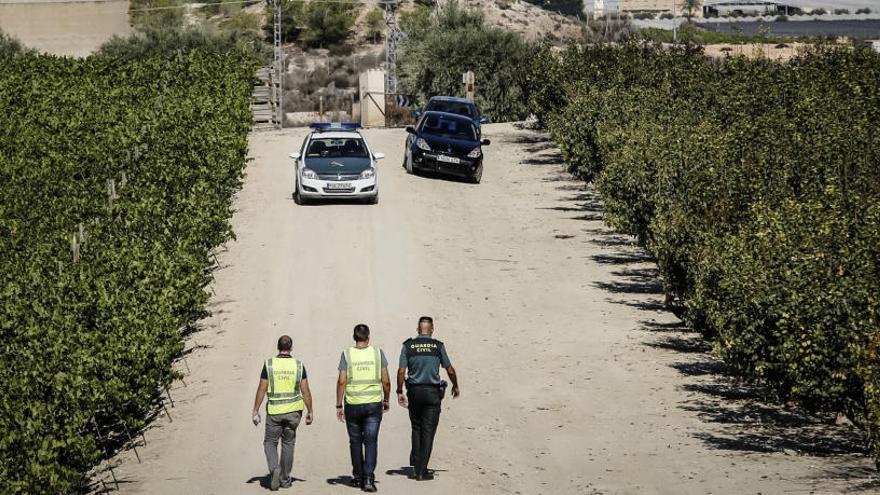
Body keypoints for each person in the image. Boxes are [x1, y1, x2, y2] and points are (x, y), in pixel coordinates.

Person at [396, 316, 459, 481]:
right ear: (431, 330)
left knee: (416, 427)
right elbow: (450, 369)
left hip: (414, 392)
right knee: (428, 430)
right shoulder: (438, 346)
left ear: (418, 330)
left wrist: (399, 390)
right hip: (432, 393)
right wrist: (455, 385)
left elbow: (401, 371)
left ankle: (417, 463)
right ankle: (421, 471)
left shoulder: (408, 346)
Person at [252, 335, 314, 491]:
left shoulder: (269, 365)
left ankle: (274, 469)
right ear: (291, 347)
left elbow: (262, 388)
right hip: (294, 413)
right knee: (288, 444)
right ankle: (285, 479)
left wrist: (256, 409)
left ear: (278, 347)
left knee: (270, 443)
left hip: (274, 412)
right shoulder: (298, 365)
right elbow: (305, 390)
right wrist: (310, 410)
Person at [336, 324, 391, 492]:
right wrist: (386, 399)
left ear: (354, 337)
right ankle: (368, 479)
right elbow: (386, 380)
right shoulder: (377, 353)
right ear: (368, 337)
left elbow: (341, 381)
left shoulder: (347, 354)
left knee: (355, 441)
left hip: (352, 404)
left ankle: (357, 476)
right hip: (373, 405)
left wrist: (339, 405)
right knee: (371, 441)